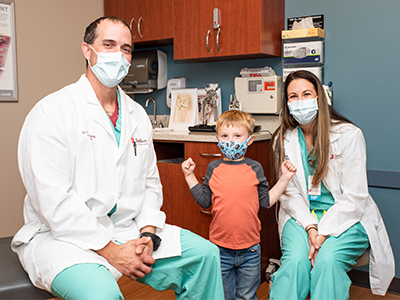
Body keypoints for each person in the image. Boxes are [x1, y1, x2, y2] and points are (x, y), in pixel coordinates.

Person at [11, 16, 224, 300]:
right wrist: (112, 251)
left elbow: (150, 184)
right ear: (87, 51)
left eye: (125, 49)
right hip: (63, 238)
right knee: (103, 295)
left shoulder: (137, 115)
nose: (118, 55)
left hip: (128, 231)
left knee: (205, 256)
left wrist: (148, 235)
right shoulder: (52, 112)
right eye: (108, 45)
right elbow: (53, 202)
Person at [269, 70, 395, 300]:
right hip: (300, 216)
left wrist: (322, 234)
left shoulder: (349, 135)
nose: (300, 101)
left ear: (320, 98)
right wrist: (310, 227)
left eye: (306, 94)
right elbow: (288, 193)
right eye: (293, 97)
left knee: (327, 261)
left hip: (347, 216)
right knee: (296, 262)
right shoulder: (283, 138)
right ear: (286, 103)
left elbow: (355, 197)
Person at [181, 110, 297, 300]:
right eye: (224, 136)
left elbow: (266, 202)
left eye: (237, 136)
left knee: (246, 296)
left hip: (250, 250)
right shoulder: (213, 168)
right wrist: (189, 176)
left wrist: (285, 178)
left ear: (249, 140)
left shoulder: (255, 168)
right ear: (217, 138)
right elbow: (204, 201)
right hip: (220, 249)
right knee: (224, 296)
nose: (230, 141)